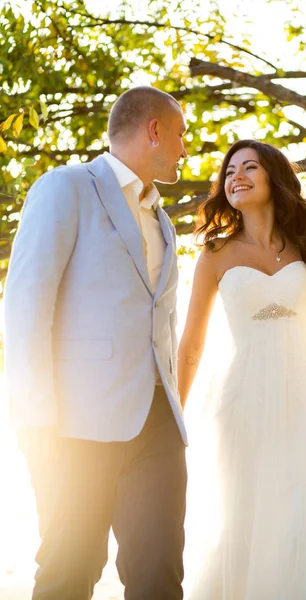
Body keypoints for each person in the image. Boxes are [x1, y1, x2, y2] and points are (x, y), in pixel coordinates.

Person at [4, 86, 188, 600]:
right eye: (180, 135)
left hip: (157, 427)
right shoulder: (65, 187)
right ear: (154, 130)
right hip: (72, 426)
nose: (185, 149)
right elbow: (25, 305)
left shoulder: (162, 218)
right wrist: (36, 421)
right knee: (70, 569)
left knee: (159, 577)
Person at [178, 140, 306, 599]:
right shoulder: (214, 254)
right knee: (248, 515)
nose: (237, 177)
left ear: (274, 178)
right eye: (229, 171)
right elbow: (191, 343)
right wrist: (176, 413)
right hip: (242, 402)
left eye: (249, 167)